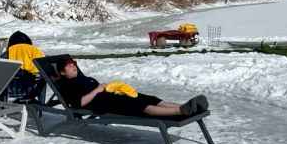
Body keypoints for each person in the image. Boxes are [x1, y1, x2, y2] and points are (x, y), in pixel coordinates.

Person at [51, 55, 208, 118]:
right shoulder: (67, 85)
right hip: (103, 103)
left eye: (74, 64)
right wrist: (98, 90)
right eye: (69, 66)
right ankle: (180, 111)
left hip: (110, 95)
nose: (73, 67)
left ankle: (187, 106)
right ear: (63, 73)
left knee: (147, 97)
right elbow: (78, 103)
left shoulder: (81, 77)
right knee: (139, 104)